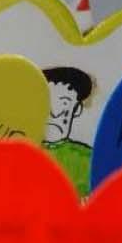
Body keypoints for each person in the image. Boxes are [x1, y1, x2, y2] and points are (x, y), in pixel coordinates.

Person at [43, 66, 95, 196]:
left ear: (77, 109)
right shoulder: (21, 155)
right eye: (46, 102)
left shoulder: (88, 159)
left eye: (64, 103)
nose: (54, 113)